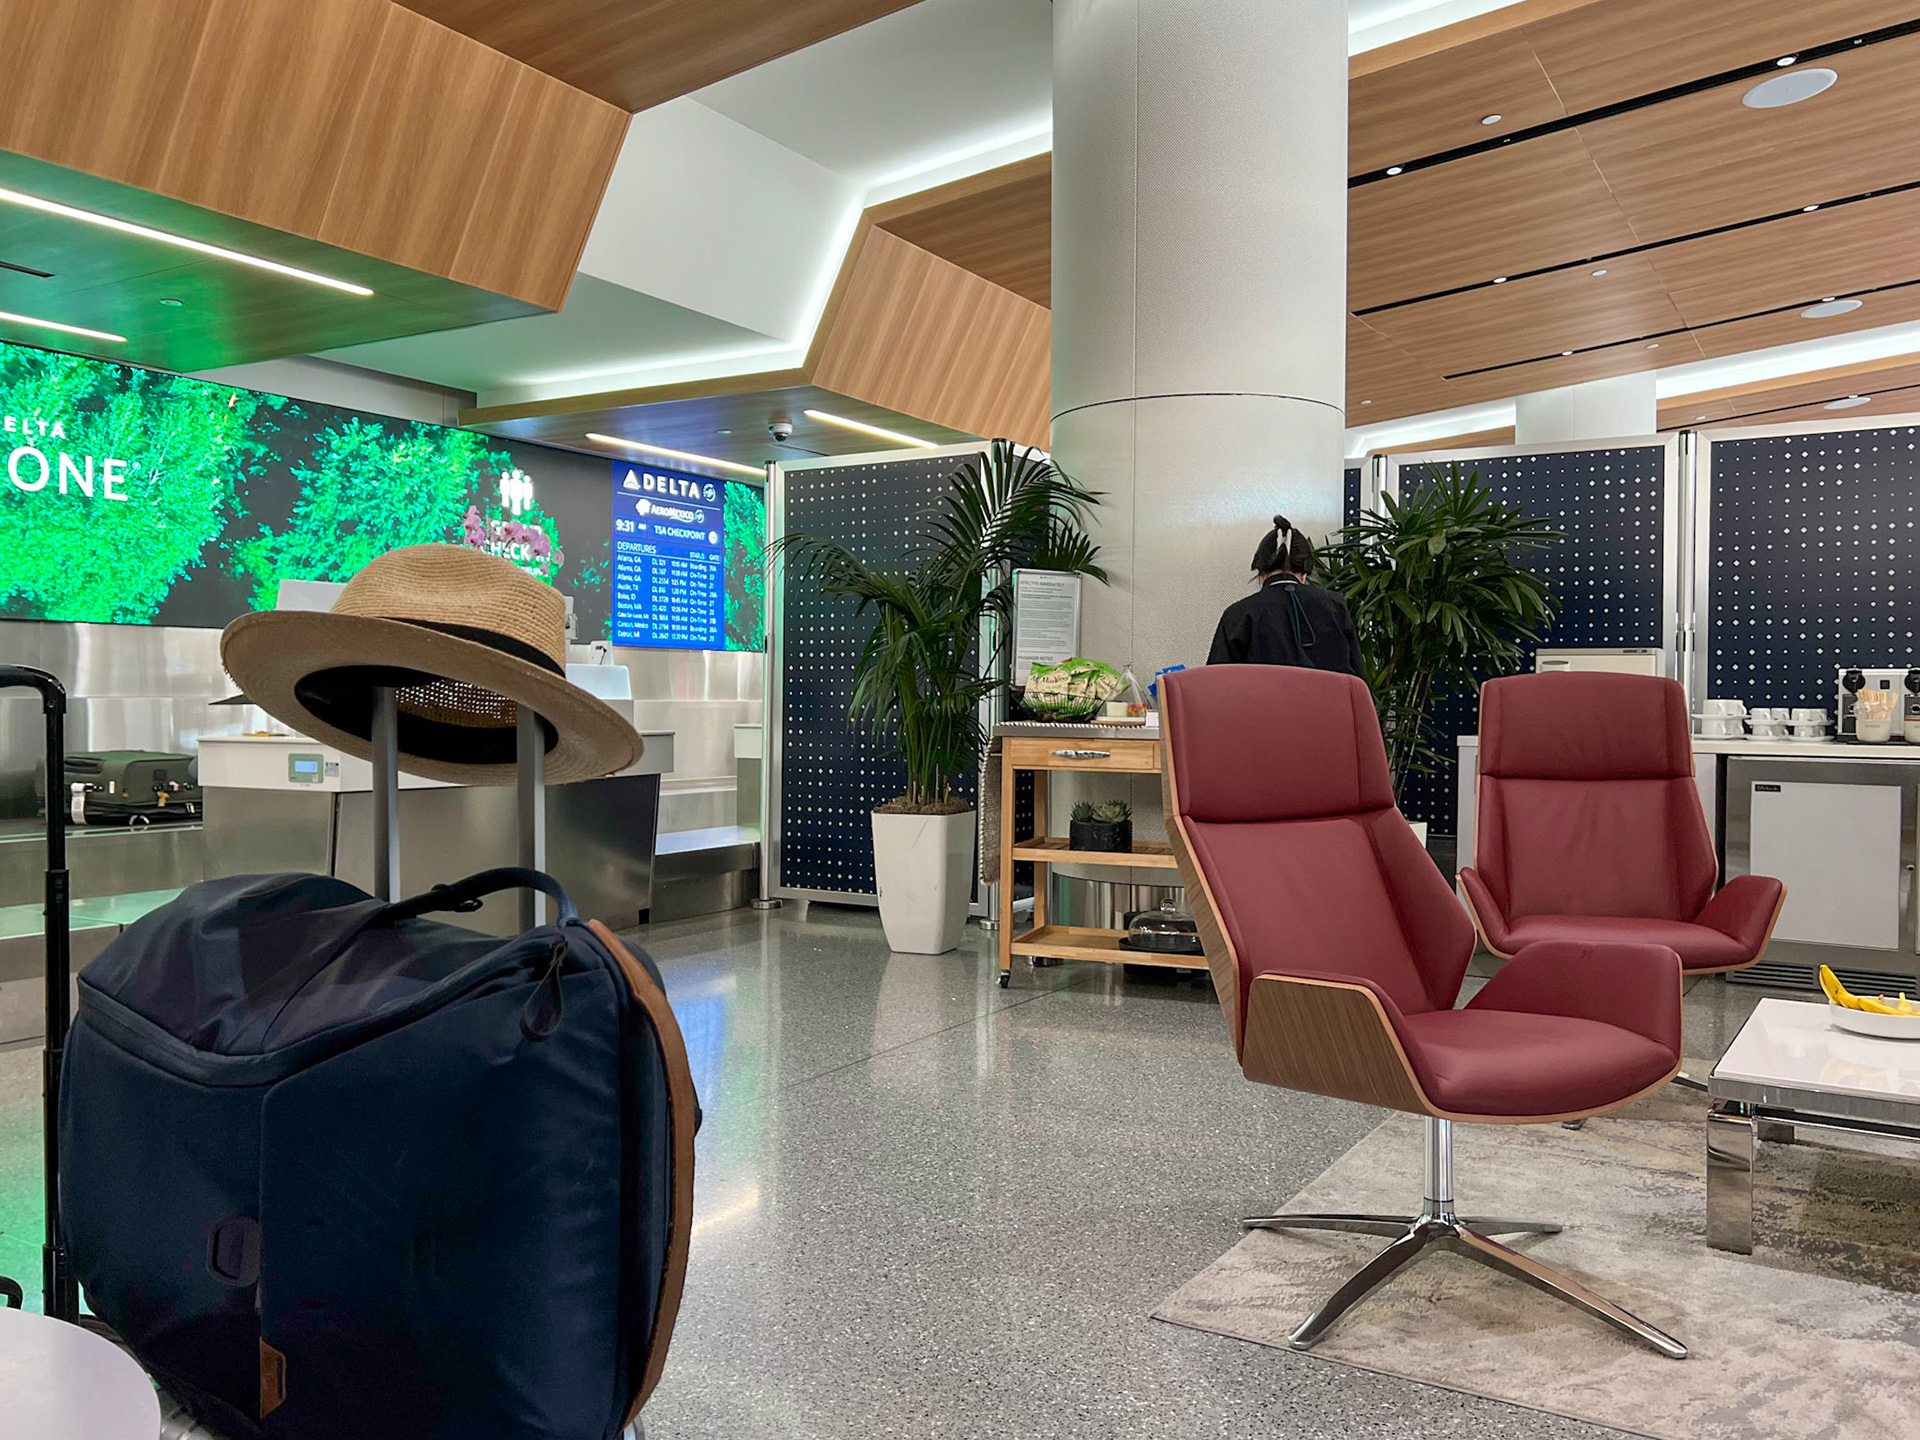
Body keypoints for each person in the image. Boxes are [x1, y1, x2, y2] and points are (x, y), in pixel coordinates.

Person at [1206, 514, 1363, 675]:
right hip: (1329, 700)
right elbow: (1358, 685)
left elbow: (1215, 684)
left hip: (1259, 700)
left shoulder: (1238, 614)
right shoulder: (1335, 606)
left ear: (1261, 572)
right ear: (1305, 573)